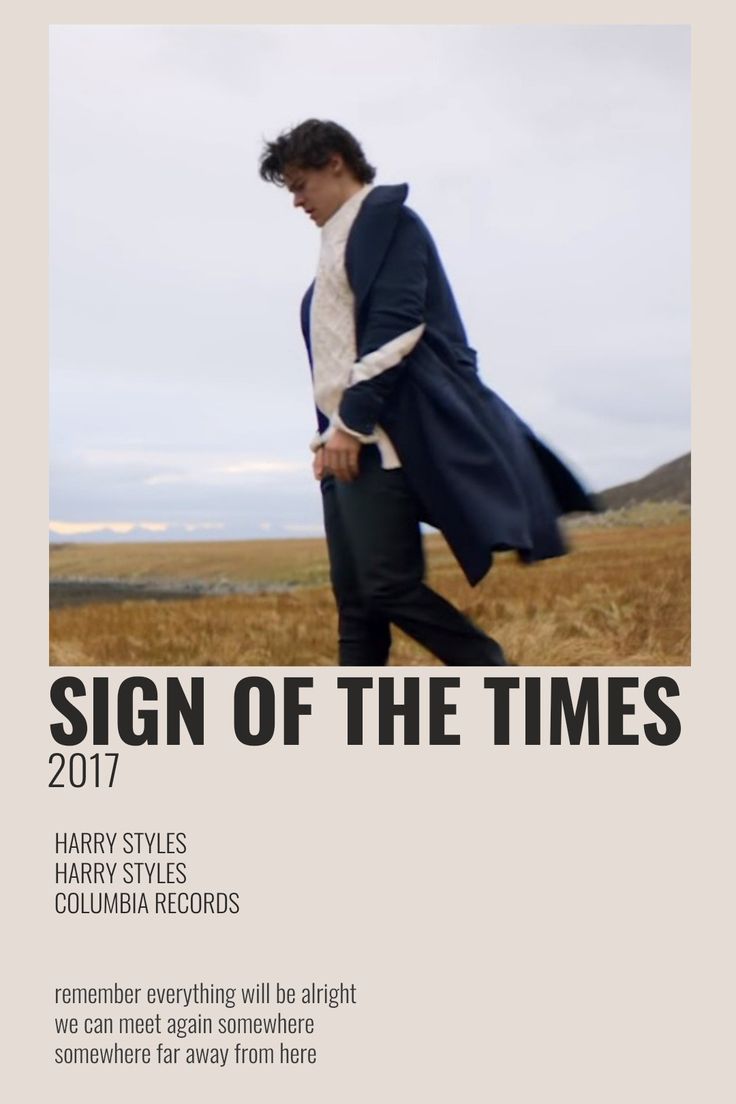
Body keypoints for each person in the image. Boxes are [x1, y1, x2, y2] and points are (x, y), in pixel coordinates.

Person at [259, 119, 594, 666]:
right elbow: (335, 355)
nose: (296, 200)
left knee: (387, 586)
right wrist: (326, 439)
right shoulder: (337, 244)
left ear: (335, 163)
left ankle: (493, 673)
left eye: (301, 184)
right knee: (358, 603)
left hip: (381, 439)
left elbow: (399, 327)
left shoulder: (390, 222)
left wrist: (349, 425)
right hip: (346, 446)